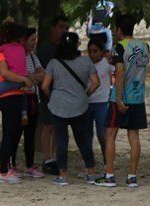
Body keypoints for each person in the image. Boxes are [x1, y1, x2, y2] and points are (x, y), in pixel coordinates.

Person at [96, 14, 149, 189]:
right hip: (138, 97)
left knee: (110, 134)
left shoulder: (120, 47)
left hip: (120, 98)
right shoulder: (145, 46)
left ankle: (109, 175)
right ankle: (132, 177)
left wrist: (118, 98)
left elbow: (119, 72)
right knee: (134, 137)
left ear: (119, 29)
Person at [42, 32, 100, 185]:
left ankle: (63, 175)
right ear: (77, 44)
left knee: (61, 140)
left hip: (58, 106)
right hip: (80, 106)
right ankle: (91, 172)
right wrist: (84, 95)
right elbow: (96, 83)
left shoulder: (54, 63)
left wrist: (52, 96)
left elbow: (44, 86)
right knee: (83, 140)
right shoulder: (86, 62)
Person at [0, 22, 32, 183]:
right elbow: (6, 73)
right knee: (8, 134)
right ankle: (2, 170)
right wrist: (24, 79)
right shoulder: (1, 55)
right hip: (7, 96)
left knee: (14, 133)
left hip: (15, 94)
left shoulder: (7, 51)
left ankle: (7, 166)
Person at [37, 14, 71, 175]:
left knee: (60, 127)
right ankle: (48, 159)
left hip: (64, 92)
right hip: (49, 92)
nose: (63, 31)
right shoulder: (46, 49)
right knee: (49, 125)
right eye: (60, 27)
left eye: (66, 28)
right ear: (53, 28)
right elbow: (43, 73)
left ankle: (56, 158)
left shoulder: (66, 48)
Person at [13, 27, 47, 179]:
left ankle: (29, 164)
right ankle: (11, 164)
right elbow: (19, 76)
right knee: (15, 133)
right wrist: (30, 77)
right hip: (20, 99)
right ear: (23, 41)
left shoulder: (33, 57)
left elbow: (43, 74)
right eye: (32, 40)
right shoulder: (17, 57)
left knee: (30, 134)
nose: (34, 43)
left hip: (33, 98)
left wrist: (29, 77)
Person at [0, 23, 33, 124]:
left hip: (11, 83)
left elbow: (5, 73)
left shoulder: (4, 48)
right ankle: (24, 113)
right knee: (24, 93)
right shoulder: (22, 49)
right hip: (23, 81)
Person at [86, 36, 113, 170]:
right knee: (87, 136)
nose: (92, 54)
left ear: (102, 51)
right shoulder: (85, 63)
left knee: (103, 135)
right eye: (90, 51)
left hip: (102, 103)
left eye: (95, 51)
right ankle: (89, 164)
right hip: (86, 103)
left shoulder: (107, 64)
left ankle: (107, 162)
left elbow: (119, 72)